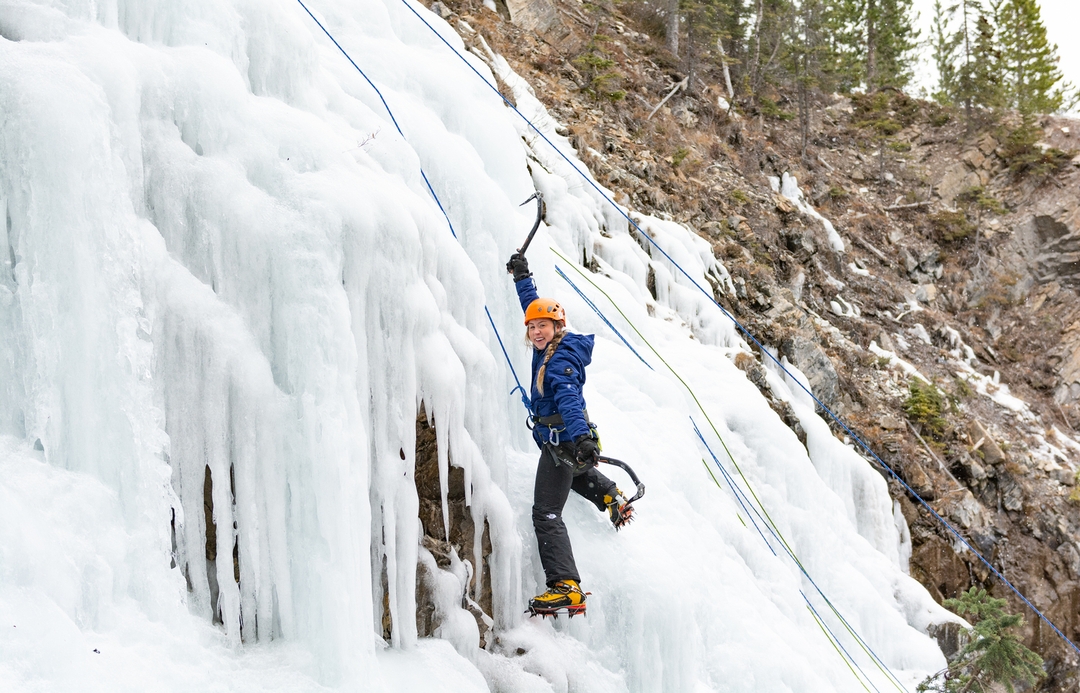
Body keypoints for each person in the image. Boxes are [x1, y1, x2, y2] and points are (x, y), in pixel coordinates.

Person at [506, 252, 633, 616]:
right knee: (571, 470)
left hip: (564, 437)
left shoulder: (558, 361)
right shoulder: (551, 345)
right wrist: (521, 277)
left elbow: (569, 400)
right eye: (532, 327)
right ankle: (610, 496)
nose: (536, 331)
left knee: (546, 512)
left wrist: (581, 438)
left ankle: (566, 586)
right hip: (562, 441)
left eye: (543, 326)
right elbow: (533, 306)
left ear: (558, 326)